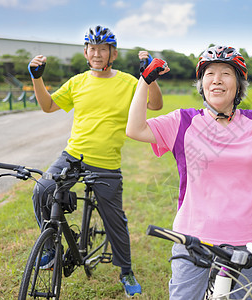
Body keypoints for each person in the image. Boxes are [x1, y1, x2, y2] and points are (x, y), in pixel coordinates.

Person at [126, 45, 252, 299]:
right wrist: (145, 81)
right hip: (192, 239)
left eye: (226, 73)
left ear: (238, 85)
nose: (216, 79)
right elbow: (135, 129)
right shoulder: (183, 122)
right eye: (209, 73)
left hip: (249, 242)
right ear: (202, 84)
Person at [28, 25, 164, 297]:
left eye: (104, 48)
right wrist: (36, 78)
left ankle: (125, 271)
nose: (98, 53)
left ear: (112, 53)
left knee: (115, 221)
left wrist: (149, 78)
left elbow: (156, 105)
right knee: (42, 190)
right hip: (72, 156)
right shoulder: (78, 81)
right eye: (93, 48)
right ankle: (51, 248)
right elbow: (48, 106)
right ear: (86, 53)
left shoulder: (127, 82)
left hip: (106, 163)